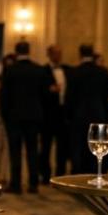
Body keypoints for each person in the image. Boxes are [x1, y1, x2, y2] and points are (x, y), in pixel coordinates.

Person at [0, 41, 50, 194]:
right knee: (33, 150)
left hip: (14, 116)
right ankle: (33, 183)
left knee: (15, 151)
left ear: (16, 51)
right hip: (34, 116)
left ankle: (16, 184)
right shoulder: (39, 70)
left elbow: (4, 96)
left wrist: (5, 115)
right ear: (29, 51)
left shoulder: (10, 70)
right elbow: (45, 96)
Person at [66, 44, 108, 173]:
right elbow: (107, 94)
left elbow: (69, 97)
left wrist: (68, 116)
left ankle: (78, 175)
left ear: (80, 54)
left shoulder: (73, 72)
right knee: (97, 147)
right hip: (98, 114)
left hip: (78, 115)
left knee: (78, 148)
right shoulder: (103, 71)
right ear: (92, 54)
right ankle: (96, 172)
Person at [41, 45, 70, 181]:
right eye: (56, 53)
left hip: (64, 113)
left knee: (63, 146)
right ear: (49, 55)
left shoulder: (68, 70)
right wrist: (49, 90)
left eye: (60, 53)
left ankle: (60, 174)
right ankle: (45, 174)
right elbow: (39, 91)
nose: (58, 56)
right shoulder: (43, 71)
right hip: (48, 114)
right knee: (45, 146)